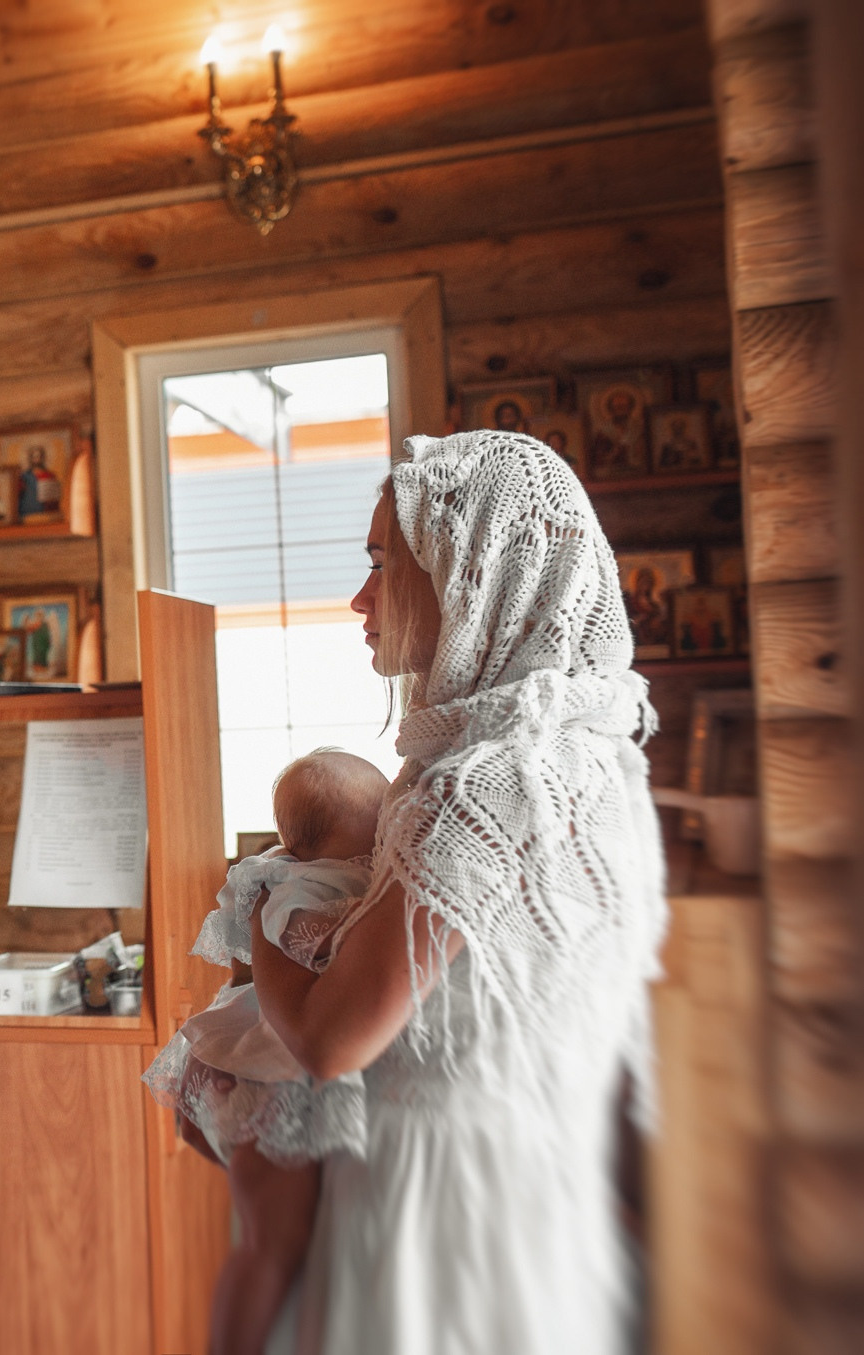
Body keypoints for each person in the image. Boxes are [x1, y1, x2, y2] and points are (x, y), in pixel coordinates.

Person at [245, 430, 666, 1353]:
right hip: (549, 1194)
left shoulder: (478, 786)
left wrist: (255, 925)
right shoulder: (602, 761)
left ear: (471, 573)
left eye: (381, 564)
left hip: (435, 1219)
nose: (359, 597)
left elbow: (328, 1040)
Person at [144, 751, 386, 1355]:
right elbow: (330, 957)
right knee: (270, 1249)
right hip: (270, 1084)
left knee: (282, 1246)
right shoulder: (315, 889)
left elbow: (241, 974)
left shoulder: (281, 872)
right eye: (381, 814)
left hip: (255, 1074)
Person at [17, 444, 62, 520]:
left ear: (43, 458)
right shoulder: (24, 476)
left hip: (46, 514)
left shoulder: (50, 475)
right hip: (27, 513)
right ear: (30, 458)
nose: (37, 459)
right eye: (34, 457)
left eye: (39, 456)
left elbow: (55, 498)